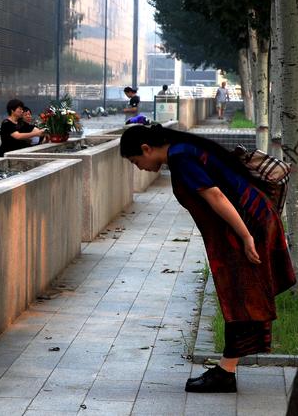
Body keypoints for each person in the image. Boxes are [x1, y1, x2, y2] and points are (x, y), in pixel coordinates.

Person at [120, 125, 295, 393]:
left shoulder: (180, 157)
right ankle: (227, 369)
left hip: (248, 225)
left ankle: (226, 372)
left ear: (146, 148)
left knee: (242, 298)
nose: (139, 167)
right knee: (241, 298)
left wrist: (246, 237)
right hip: (251, 221)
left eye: (136, 161)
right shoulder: (183, 149)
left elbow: (215, 196)